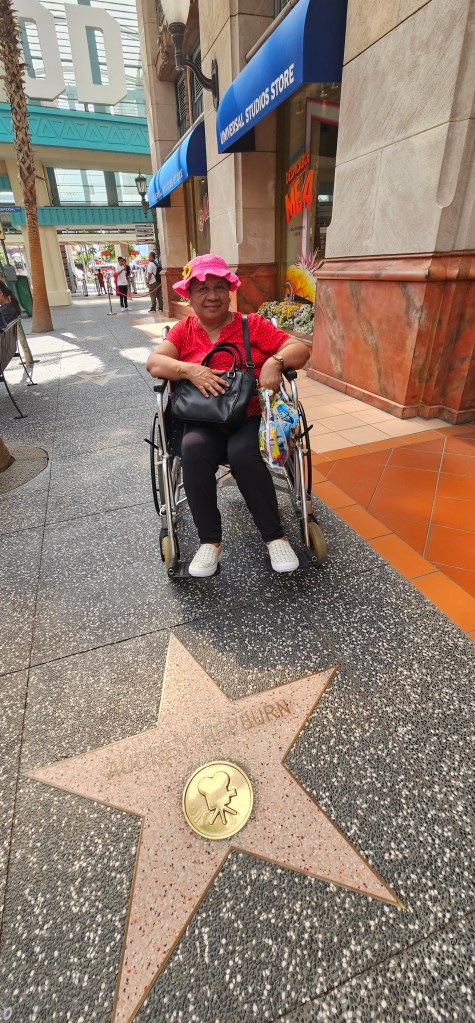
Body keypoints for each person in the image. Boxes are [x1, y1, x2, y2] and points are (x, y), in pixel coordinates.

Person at [146, 253, 310, 578]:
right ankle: (210, 542)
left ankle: (274, 537)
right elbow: (154, 363)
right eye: (202, 289)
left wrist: (274, 362)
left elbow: (300, 349)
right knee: (192, 449)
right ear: (189, 295)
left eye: (219, 287)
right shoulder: (183, 331)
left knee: (243, 453)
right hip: (202, 419)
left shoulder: (252, 325)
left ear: (230, 291)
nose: (212, 296)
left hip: (248, 416)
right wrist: (188, 369)